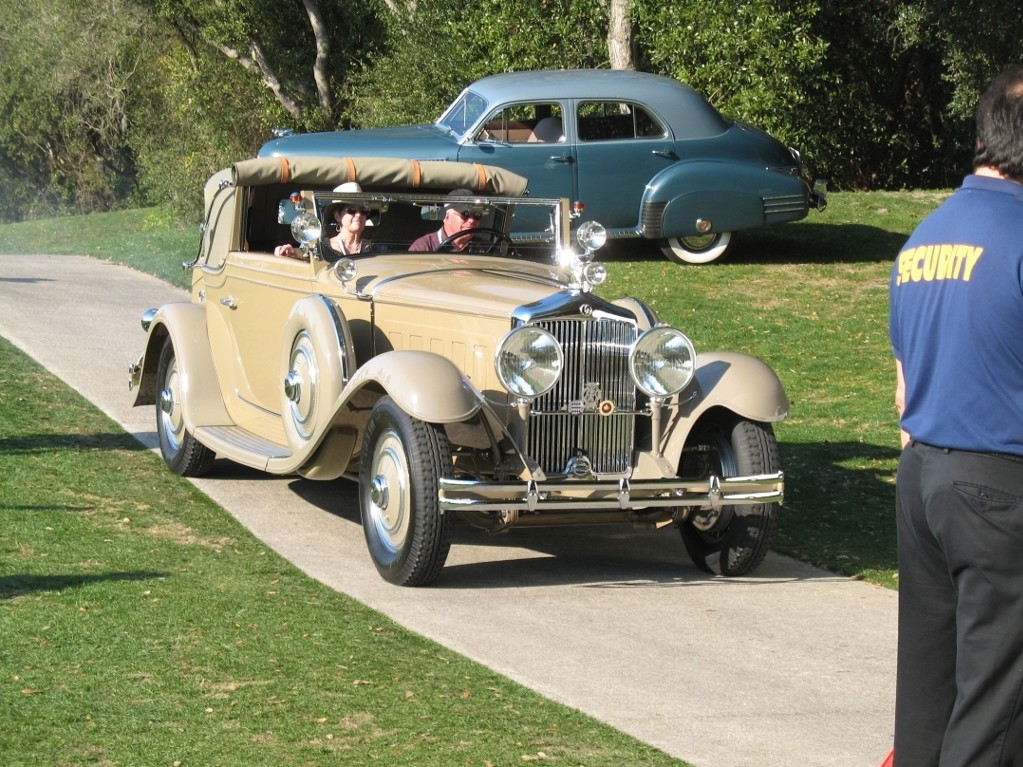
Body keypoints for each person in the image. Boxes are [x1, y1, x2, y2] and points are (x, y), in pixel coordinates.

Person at [889, 64, 1023, 767]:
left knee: (928, 688)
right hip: (999, 483)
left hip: (923, 479)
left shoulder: (924, 237)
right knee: (997, 703)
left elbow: (901, 389)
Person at [275, 182, 371, 259]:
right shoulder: (322, 248)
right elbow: (305, 257)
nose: (358, 215)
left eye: (363, 211)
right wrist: (289, 253)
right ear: (337, 216)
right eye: (352, 210)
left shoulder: (375, 248)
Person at [409, 188, 483, 252]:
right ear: (446, 217)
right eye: (465, 214)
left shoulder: (487, 248)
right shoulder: (423, 248)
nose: (472, 220)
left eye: (477, 215)